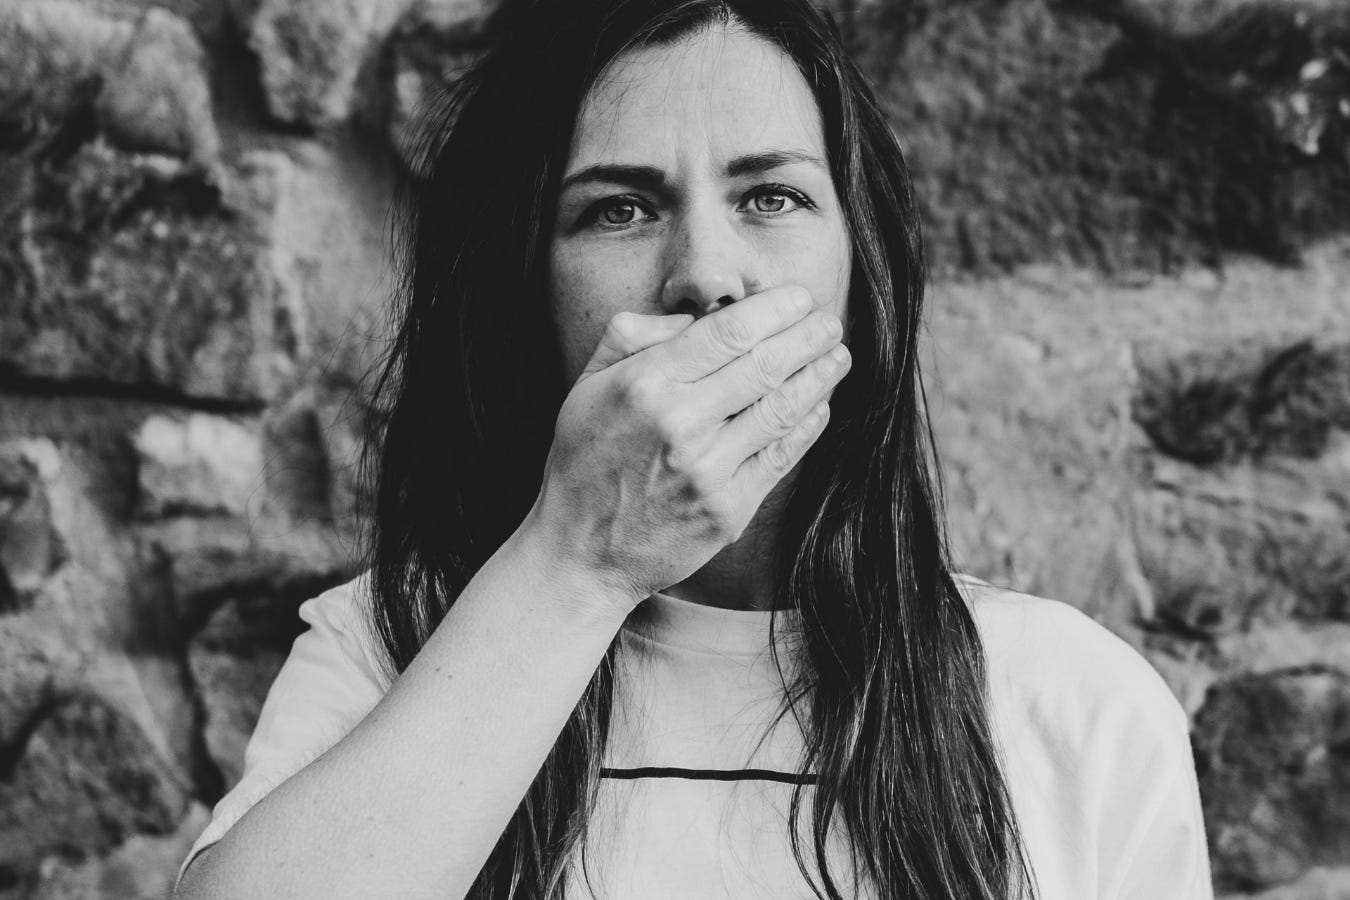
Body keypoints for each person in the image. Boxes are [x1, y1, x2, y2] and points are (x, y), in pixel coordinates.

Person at [173, 1, 1213, 898]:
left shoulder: (1076, 707)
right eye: (619, 209)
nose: (706, 275)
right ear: (526, 287)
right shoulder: (387, 651)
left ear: (863, 274)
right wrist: (580, 561)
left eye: (772, 196)